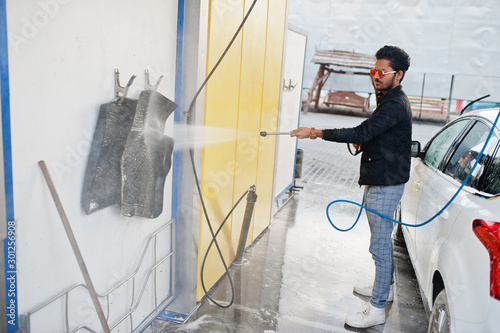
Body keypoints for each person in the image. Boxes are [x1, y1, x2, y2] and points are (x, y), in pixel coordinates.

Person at [291, 45, 412, 329]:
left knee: (380, 246)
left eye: (383, 72)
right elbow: (373, 131)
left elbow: (364, 131)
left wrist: (316, 132)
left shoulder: (395, 103)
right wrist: (365, 139)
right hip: (381, 179)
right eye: (374, 71)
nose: (376, 76)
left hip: (386, 183)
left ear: (399, 74)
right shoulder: (389, 99)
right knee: (379, 244)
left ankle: (377, 308)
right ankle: (386, 288)